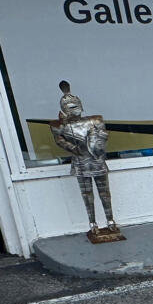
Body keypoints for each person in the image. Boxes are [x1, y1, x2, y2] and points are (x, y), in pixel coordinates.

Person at [52, 81, 120, 239]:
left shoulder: (95, 121)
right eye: (70, 106)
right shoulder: (60, 126)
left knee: (105, 193)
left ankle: (110, 221)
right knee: (87, 194)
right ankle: (93, 223)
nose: (73, 108)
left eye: (75, 104)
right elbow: (60, 140)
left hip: (96, 160)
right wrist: (73, 147)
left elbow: (101, 139)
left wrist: (97, 141)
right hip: (81, 162)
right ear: (64, 109)